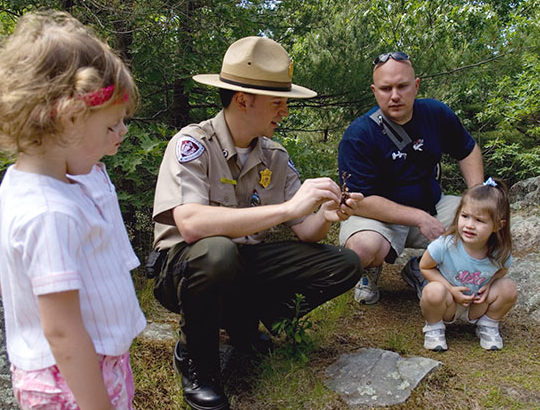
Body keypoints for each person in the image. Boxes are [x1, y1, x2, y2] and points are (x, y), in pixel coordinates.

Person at [150, 36, 363, 410]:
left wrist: (324, 216)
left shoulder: (275, 155)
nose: (285, 111)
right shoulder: (194, 143)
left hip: (241, 265)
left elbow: (305, 230)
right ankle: (198, 362)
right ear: (242, 100)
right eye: (277, 102)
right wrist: (287, 209)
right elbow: (191, 223)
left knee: (343, 264)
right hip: (185, 269)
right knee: (217, 252)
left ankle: (242, 320)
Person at [0, 11, 146, 409]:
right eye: (111, 125)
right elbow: (63, 333)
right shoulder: (49, 212)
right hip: (73, 384)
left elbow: (3, 270)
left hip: (87, 365)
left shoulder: (24, 182)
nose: (122, 134)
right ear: (70, 119)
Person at [337, 51, 484, 305]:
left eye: (402, 86)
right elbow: (358, 201)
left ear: (416, 86)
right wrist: (418, 218)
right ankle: (369, 271)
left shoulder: (436, 114)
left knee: (485, 224)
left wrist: (477, 195)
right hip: (377, 217)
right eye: (386, 88)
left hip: (431, 204)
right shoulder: (358, 135)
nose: (394, 96)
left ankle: (421, 267)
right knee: (362, 249)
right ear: (374, 91)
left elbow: (467, 150)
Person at [419, 177, 517, 351]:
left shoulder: (499, 252)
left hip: (477, 306)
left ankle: (488, 324)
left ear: (498, 225)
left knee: (508, 287)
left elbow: (503, 270)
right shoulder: (445, 245)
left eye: (480, 220)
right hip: (448, 304)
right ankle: (434, 327)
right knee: (433, 291)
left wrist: (490, 284)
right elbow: (425, 266)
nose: (469, 225)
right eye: (465, 216)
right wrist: (450, 289)